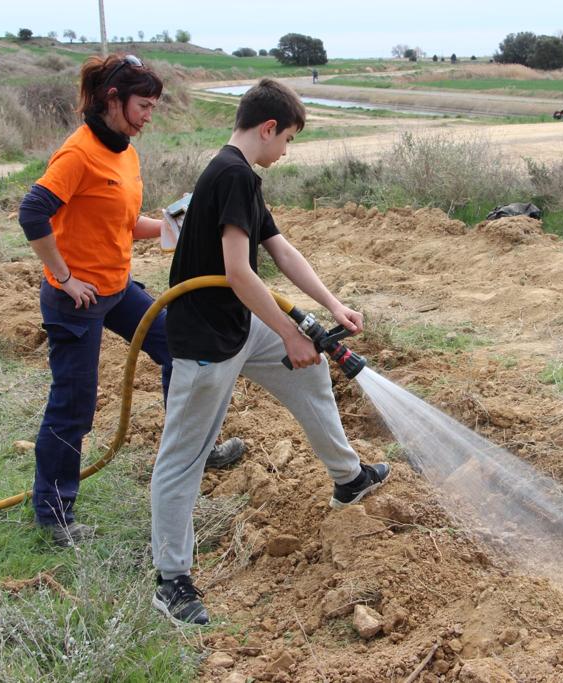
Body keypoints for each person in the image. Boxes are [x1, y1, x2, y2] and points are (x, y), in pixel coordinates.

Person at [150, 78, 390, 625]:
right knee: (184, 457)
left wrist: (332, 305)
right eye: (289, 140)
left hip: (238, 324)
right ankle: (171, 580)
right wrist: (287, 332)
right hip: (207, 340)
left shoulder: (242, 177)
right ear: (268, 128)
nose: (286, 152)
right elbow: (238, 273)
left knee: (309, 379)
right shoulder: (232, 173)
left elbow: (278, 249)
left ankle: (348, 479)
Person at [18, 54, 244, 548]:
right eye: (142, 105)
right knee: (74, 405)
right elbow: (33, 212)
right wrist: (64, 277)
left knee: (179, 347)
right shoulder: (78, 154)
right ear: (112, 100)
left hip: (118, 290)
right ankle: (54, 511)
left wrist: (173, 228)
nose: (148, 115)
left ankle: (192, 451)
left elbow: (122, 223)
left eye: (153, 106)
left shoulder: (124, 151)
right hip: (76, 300)